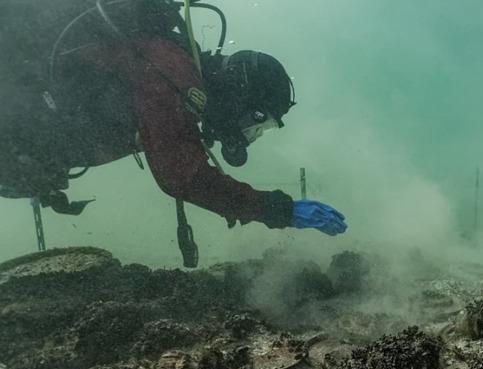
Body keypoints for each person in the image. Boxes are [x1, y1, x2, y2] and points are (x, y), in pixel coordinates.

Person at [0, 0, 346, 262]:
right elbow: (183, 177)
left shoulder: (175, 69)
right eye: (256, 123)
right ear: (240, 93)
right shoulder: (174, 71)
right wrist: (279, 210)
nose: (247, 136)